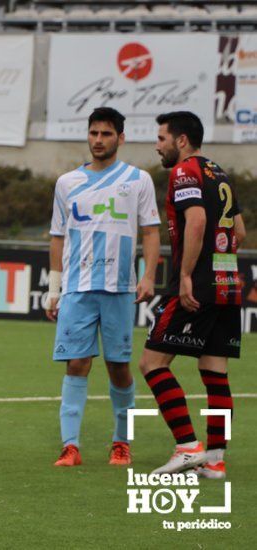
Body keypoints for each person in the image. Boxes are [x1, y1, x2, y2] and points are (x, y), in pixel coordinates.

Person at [45, 107, 161, 467]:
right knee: (76, 364)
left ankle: (121, 442)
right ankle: (70, 446)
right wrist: (54, 288)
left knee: (118, 366)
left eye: (106, 134)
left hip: (119, 288)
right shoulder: (67, 183)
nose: (98, 140)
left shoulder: (138, 179)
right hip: (78, 288)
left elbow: (151, 231)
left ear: (120, 138)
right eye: (94, 133)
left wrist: (148, 276)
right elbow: (57, 237)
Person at [140, 111, 246, 477]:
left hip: (198, 284)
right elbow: (241, 232)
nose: (158, 146)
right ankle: (215, 459)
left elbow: (197, 221)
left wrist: (185, 274)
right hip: (228, 283)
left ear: (181, 140)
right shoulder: (220, 172)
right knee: (215, 372)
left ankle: (187, 447)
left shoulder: (185, 171)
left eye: (161, 138)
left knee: (152, 363)